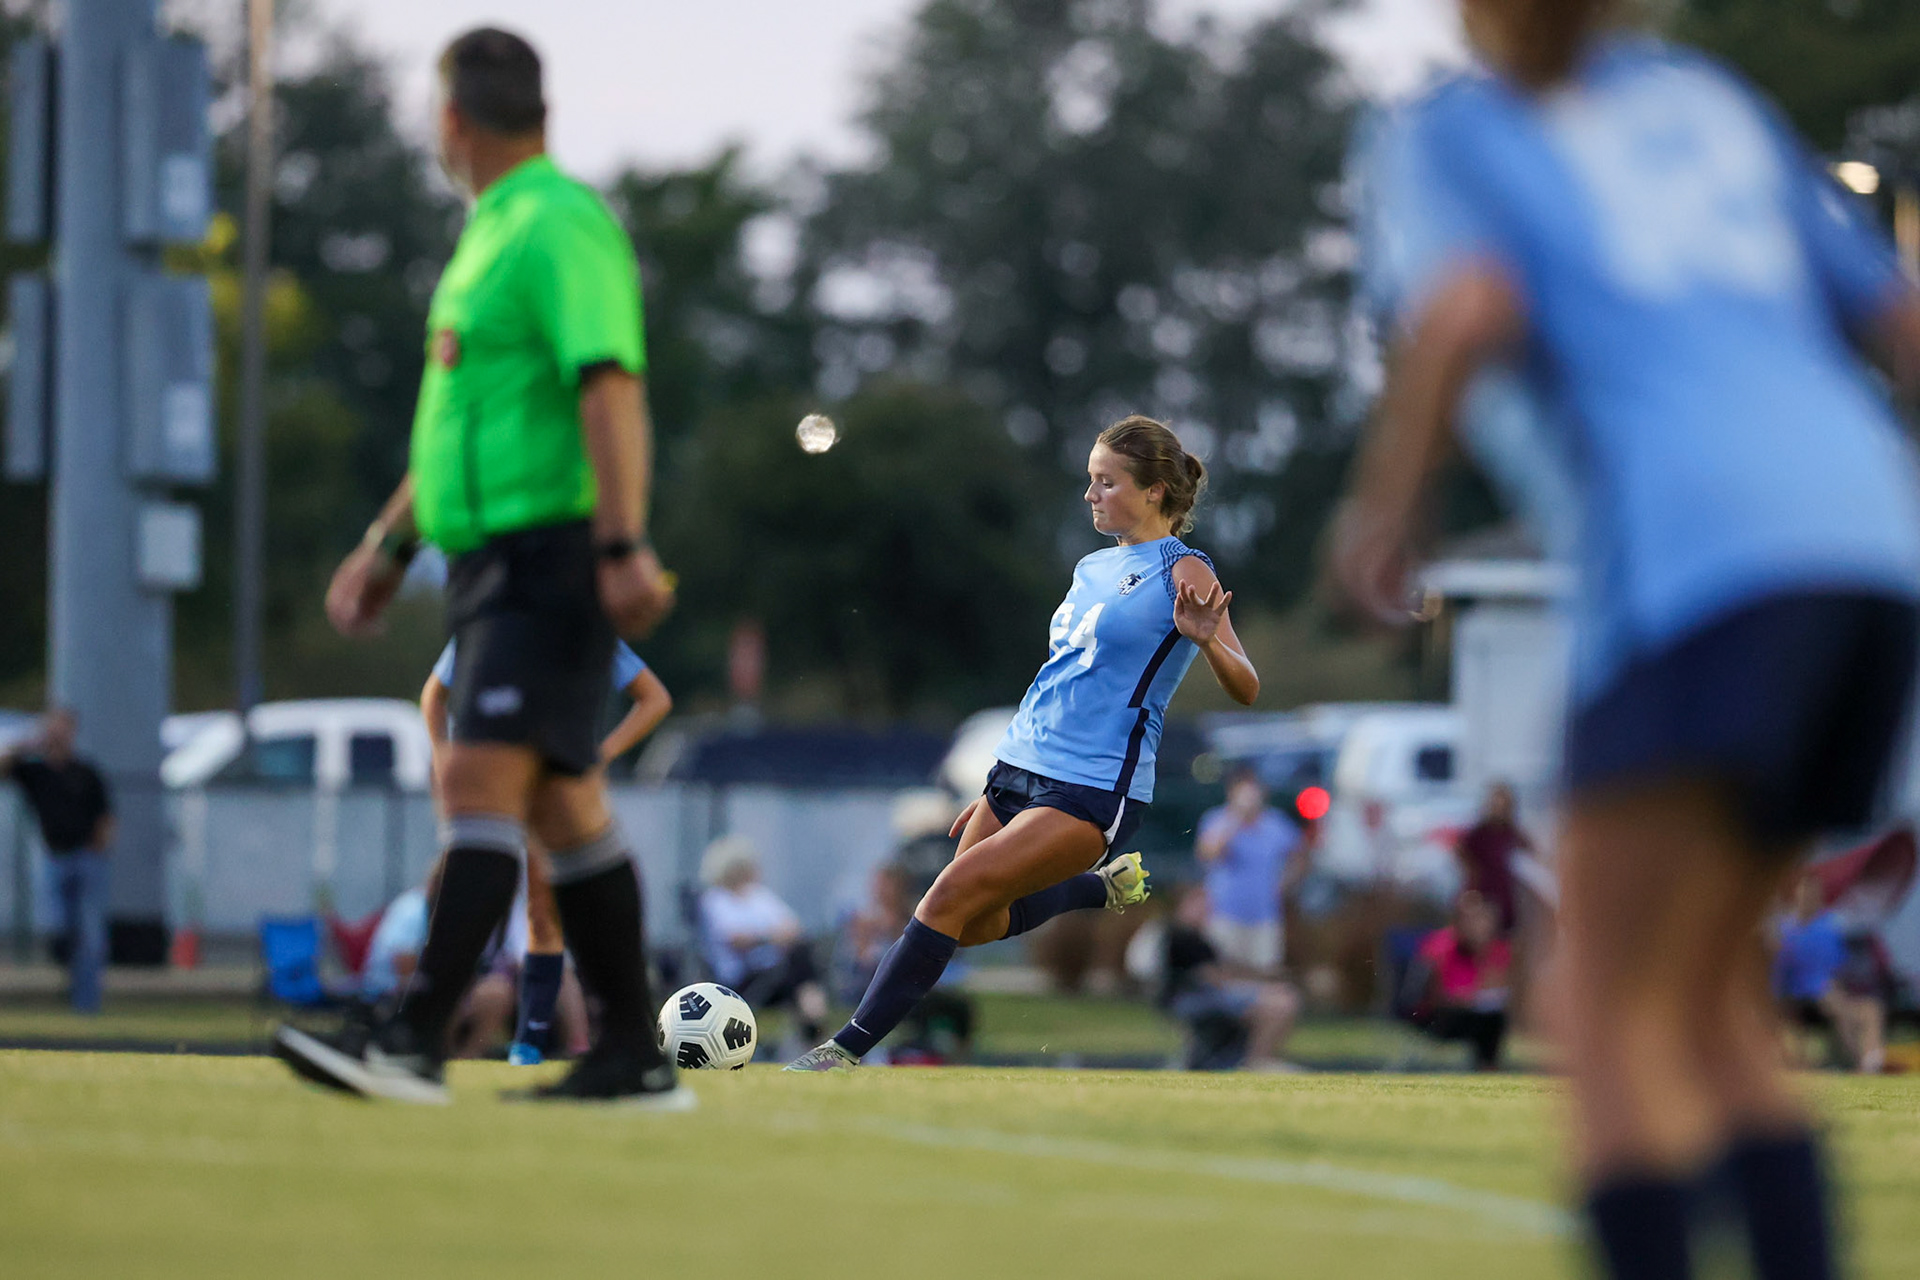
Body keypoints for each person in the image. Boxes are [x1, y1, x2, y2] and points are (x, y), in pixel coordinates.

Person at [1337, 2, 1920, 1276]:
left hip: (1698, 561)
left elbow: (1469, 303)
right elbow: (1899, 315)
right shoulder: (1708, 102)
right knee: (1709, 997)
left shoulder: (1451, 130)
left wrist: (1384, 514)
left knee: (1595, 990)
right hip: (1872, 545)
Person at [274, 27, 686, 1107]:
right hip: (490, 559)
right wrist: (389, 544)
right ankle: (633, 1053)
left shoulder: (555, 222)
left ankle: (412, 1037)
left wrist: (620, 543)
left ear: (451, 118)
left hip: (549, 550)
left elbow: (610, 385)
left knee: (476, 779)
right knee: (563, 810)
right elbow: (464, 421)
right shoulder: (489, 232)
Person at [787, 414, 1261, 1070]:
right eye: (1090, 480)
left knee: (944, 899)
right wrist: (994, 781)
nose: (1091, 494)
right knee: (968, 921)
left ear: (1154, 491)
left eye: (1107, 482)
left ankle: (840, 1052)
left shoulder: (1184, 569)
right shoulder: (1091, 567)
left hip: (1093, 786)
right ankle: (1093, 890)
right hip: (1016, 769)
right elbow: (1058, 678)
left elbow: (1247, 686)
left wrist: (1208, 641)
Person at [421, 634, 671, 1065]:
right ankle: (421, 1028)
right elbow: (434, 696)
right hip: (488, 778)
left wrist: (600, 755)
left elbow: (654, 698)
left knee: (544, 907)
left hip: (552, 776)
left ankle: (532, 1041)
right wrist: (443, 754)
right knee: (463, 892)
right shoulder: (491, 619)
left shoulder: (580, 622)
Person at [0, 708, 113, 1014]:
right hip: (54, 857)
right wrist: (29, 744)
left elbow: (105, 815)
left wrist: (99, 848)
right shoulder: (36, 772)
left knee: (89, 933)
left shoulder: (86, 771)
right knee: (59, 928)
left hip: (86, 857)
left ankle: (86, 1005)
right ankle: (71, 980)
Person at [696, 835, 828, 1046]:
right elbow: (735, 940)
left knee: (799, 957)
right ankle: (816, 1032)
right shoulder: (715, 899)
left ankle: (814, 1026)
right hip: (741, 980)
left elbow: (794, 928)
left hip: (773, 973)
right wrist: (770, 937)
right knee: (799, 967)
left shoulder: (758, 896)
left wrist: (770, 938)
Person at [1160, 883, 1302, 1071]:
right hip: (1196, 998)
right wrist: (1256, 983)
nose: (1205, 909)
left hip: (1208, 995)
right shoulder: (1179, 936)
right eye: (1199, 904)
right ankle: (1257, 1061)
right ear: (1183, 905)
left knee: (1281, 998)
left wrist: (1265, 977)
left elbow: (1226, 968)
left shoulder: (1201, 938)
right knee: (1280, 1005)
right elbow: (1213, 976)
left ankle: (1255, 1059)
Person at [1194, 767, 1305, 976]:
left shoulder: (1275, 823)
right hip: (1224, 913)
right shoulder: (1217, 819)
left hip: (1265, 915)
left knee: (1265, 972)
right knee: (1224, 971)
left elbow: (1299, 855)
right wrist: (1236, 821)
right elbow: (1208, 853)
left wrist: (1285, 883)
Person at [1774, 875, 1885, 1076]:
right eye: (1803, 895)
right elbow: (1780, 972)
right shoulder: (1785, 930)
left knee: (1871, 1009)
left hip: (1829, 992)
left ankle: (1871, 1061)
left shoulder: (1832, 925)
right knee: (1835, 1004)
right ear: (1796, 897)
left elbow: (1842, 967)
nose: (1808, 899)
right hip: (1800, 996)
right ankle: (1860, 1062)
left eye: (1812, 895)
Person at [1406, 890, 1511, 1071]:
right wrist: (1471, 998)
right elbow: (1435, 996)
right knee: (1488, 1020)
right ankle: (1486, 1067)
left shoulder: (1496, 950)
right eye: (1473, 920)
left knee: (1495, 1019)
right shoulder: (1440, 946)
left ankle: (1487, 1068)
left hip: (1474, 1014)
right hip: (1436, 1016)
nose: (1479, 927)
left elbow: (1499, 987)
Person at [1453, 781, 1530, 933]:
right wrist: (1473, 873)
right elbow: (1461, 851)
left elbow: (1529, 849)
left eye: (1502, 804)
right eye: (1495, 804)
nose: (1498, 808)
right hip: (1483, 893)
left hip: (1505, 895)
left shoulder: (1511, 832)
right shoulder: (1479, 833)